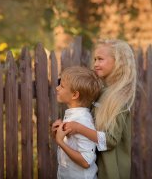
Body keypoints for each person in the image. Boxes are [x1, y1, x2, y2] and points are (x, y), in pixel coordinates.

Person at [58, 39, 137, 179]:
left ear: (119, 63)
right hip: (95, 166)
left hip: (111, 170)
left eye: (100, 59)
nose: (95, 64)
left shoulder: (119, 99)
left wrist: (77, 127)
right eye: (95, 59)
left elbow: (110, 140)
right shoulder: (101, 92)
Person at [52, 66, 103, 179]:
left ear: (75, 95)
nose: (57, 88)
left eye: (62, 86)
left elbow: (86, 161)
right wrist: (57, 134)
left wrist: (60, 141)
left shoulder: (83, 121)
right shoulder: (73, 116)